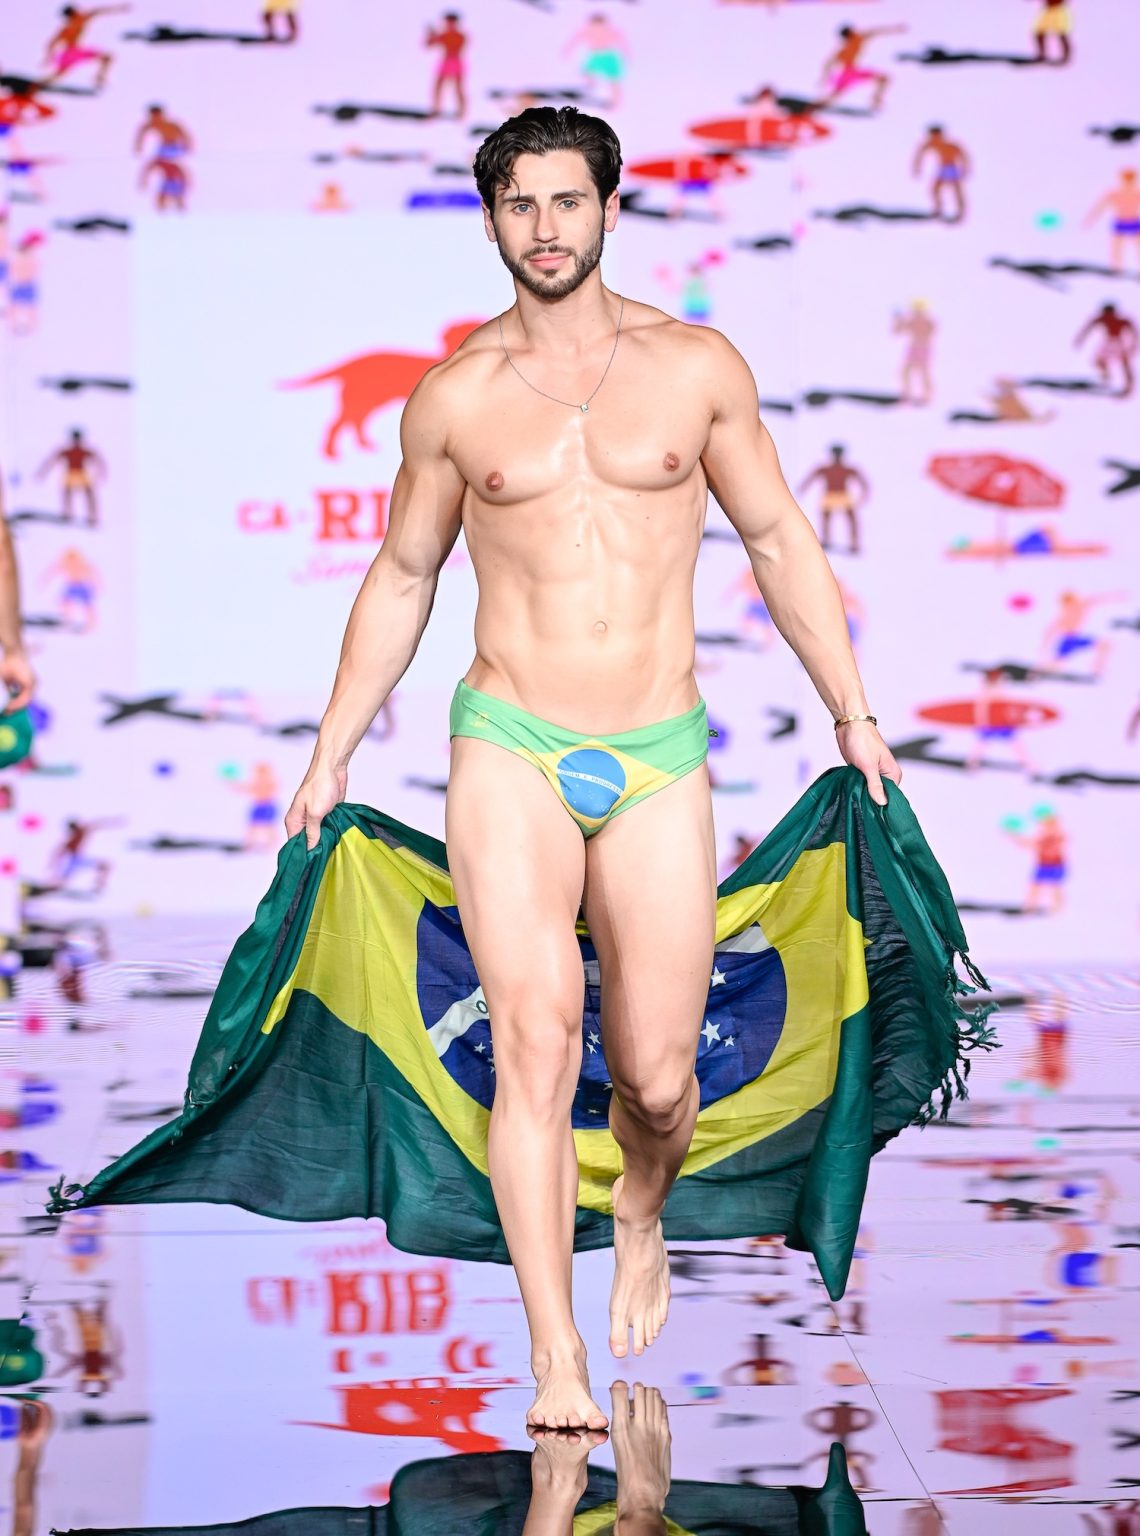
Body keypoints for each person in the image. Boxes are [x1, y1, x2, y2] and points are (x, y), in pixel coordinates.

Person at [284, 106, 900, 1433]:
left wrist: (850, 709)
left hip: (660, 751)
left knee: (659, 1078)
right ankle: (553, 1351)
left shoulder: (694, 368)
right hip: (509, 742)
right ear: (495, 219)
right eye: (522, 205)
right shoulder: (455, 395)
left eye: (570, 202)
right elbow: (403, 575)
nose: (548, 228)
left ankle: (637, 1204)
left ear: (610, 210)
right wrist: (331, 749)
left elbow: (782, 541)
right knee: (532, 1044)